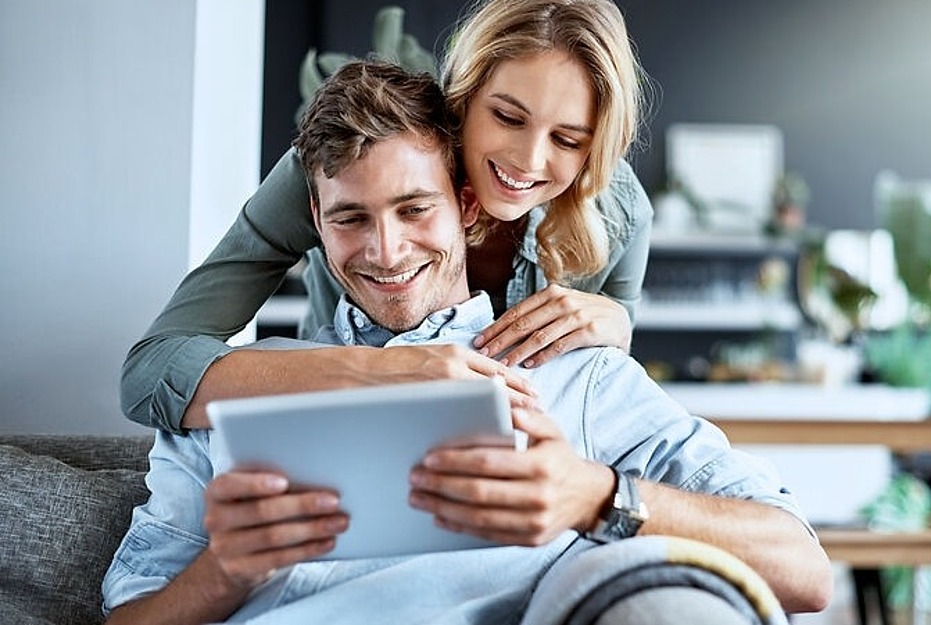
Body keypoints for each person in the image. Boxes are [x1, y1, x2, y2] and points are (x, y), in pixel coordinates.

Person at [102, 59, 832, 625]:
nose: (385, 251)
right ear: (314, 228)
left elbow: (806, 569)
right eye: (350, 218)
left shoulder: (576, 377)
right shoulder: (232, 393)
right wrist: (223, 573)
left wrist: (599, 495)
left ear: (466, 205)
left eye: (414, 208)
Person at [121, 0, 656, 434]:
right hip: (339, 423)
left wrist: (620, 328)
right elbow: (150, 373)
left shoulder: (621, 213)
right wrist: (382, 371)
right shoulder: (344, 170)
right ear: (465, 94)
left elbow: (610, 397)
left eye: (567, 139)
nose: (528, 161)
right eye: (507, 116)